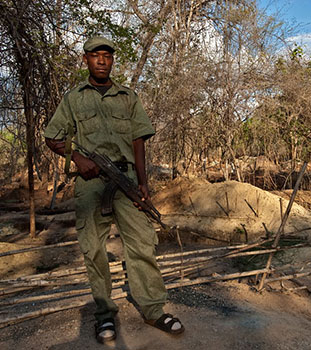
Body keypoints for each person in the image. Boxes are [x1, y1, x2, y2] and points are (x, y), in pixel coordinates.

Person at [44, 36, 184, 343]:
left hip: (126, 180)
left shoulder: (128, 97)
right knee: (94, 249)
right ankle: (105, 314)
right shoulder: (74, 98)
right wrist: (78, 159)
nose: (102, 61)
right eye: (96, 56)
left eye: (107, 56)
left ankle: (153, 310)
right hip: (91, 185)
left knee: (142, 244)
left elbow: (138, 142)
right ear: (86, 60)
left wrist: (144, 184)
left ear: (112, 60)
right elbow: (52, 137)